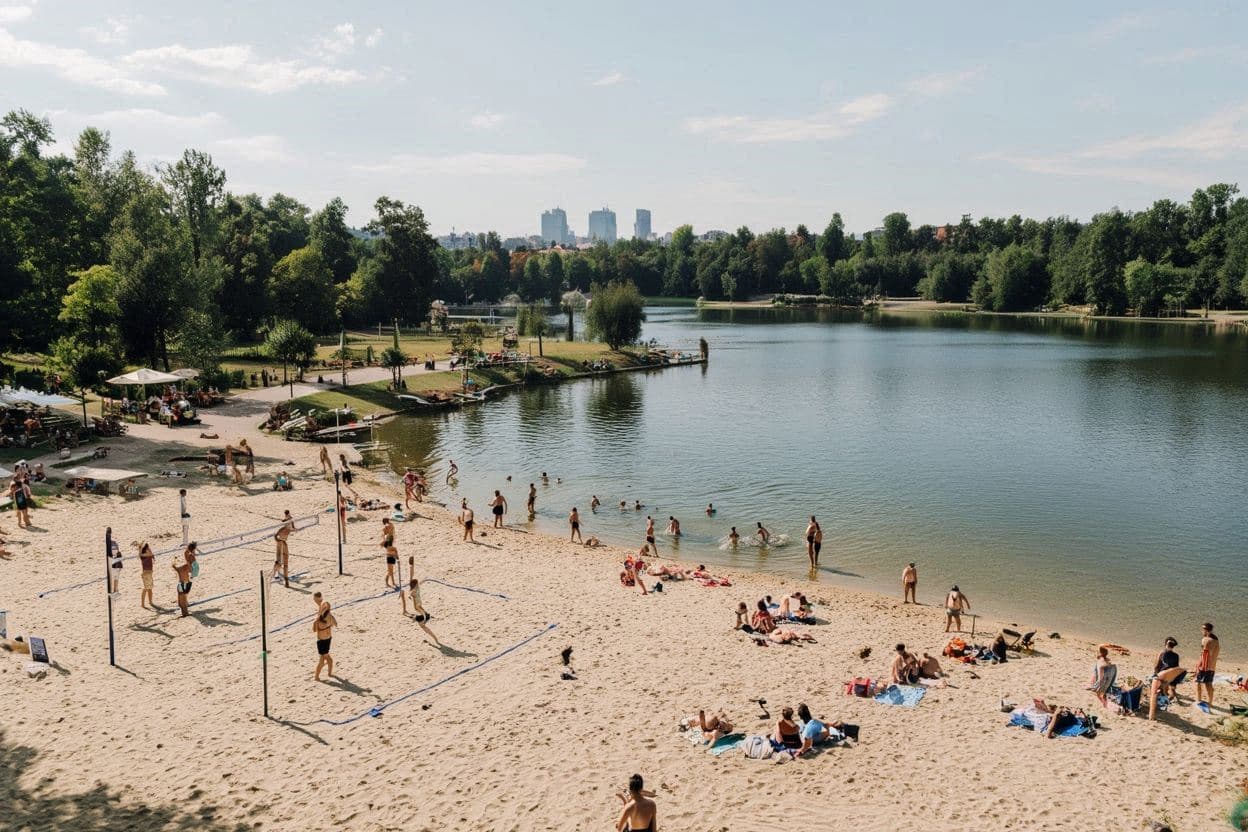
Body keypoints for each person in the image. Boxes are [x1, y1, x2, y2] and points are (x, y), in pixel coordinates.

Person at [400, 558, 441, 645]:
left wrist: (425, 618)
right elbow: (413, 578)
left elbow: (418, 607)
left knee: (424, 627)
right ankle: (435, 639)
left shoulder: (412, 592)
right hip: (422, 611)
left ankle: (436, 639)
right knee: (424, 627)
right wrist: (411, 566)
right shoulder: (417, 587)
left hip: (421, 614)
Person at [1149, 637, 1186, 720]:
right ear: (1173, 646)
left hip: (1161, 676)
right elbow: (1176, 668)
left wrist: (1155, 674)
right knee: (1165, 691)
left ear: (1165, 644)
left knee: (1154, 694)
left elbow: (1156, 666)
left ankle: (1152, 716)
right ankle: (1167, 700)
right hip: (1170, 677)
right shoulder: (1176, 656)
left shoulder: (1162, 653)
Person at [1196, 622, 1220, 713]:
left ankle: (1198, 699)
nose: (1201, 631)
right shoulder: (1216, 639)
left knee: (1198, 683)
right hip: (1212, 666)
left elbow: (1204, 655)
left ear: (1206, 630)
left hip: (1205, 666)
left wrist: (1199, 666)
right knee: (1209, 684)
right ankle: (1210, 702)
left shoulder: (1206, 640)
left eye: (1202, 629)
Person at [312, 593, 336, 681]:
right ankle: (317, 677)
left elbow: (327, 605)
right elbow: (314, 630)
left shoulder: (327, 616)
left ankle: (328, 674)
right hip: (322, 641)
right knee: (324, 660)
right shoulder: (320, 619)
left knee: (326, 660)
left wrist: (322, 604)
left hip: (326, 639)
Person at [272, 510, 295, 587]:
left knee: (283, 562)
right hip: (282, 544)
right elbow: (275, 536)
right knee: (282, 563)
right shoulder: (285, 529)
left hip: (282, 544)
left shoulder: (285, 529)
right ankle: (279, 577)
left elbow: (293, 525)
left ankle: (281, 578)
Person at [172, 544, 196, 618]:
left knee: (181, 602)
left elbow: (174, 566)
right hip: (187, 583)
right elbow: (191, 568)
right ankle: (185, 613)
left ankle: (185, 613)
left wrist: (174, 561)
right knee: (183, 601)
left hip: (182, 584)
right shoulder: (187, 567)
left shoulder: (182, 568)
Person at [138, 542, 155, 610]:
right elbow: (140, 554)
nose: (149, 549)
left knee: (150, 588)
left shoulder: (149, 555)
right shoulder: (143, 556)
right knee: (145, 588)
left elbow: (151, 553)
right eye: (148, 548)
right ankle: (142, 604)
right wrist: (141, 548)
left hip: (149, 573)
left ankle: (150, 602)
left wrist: (144, 547)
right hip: (146, 573)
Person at [106, 527, 123, 595]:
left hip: (115, 563)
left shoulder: (111, 544)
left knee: (114, 577)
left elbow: (115, 553)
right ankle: (115, 590)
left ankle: (115, 590)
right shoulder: (114, 543)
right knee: (115, 578)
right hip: (116, 563)